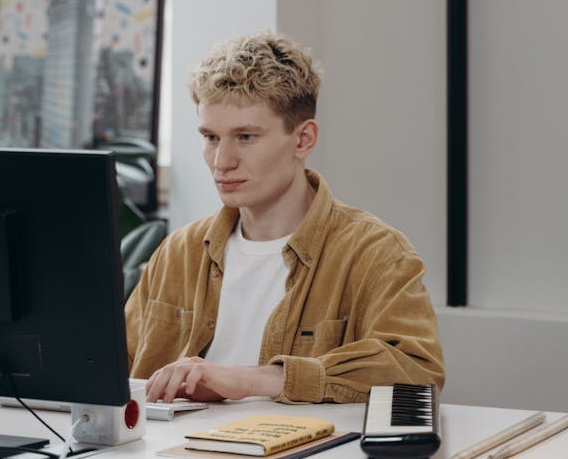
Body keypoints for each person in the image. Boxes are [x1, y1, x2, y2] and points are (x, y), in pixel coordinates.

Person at [125, 32, 445, 404]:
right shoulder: (179, 252)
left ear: (303, 139)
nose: (221, 161)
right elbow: (112, 367)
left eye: (245, 137)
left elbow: (417, 370)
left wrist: (260, 379)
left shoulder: (376, 254)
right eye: (211, 137)